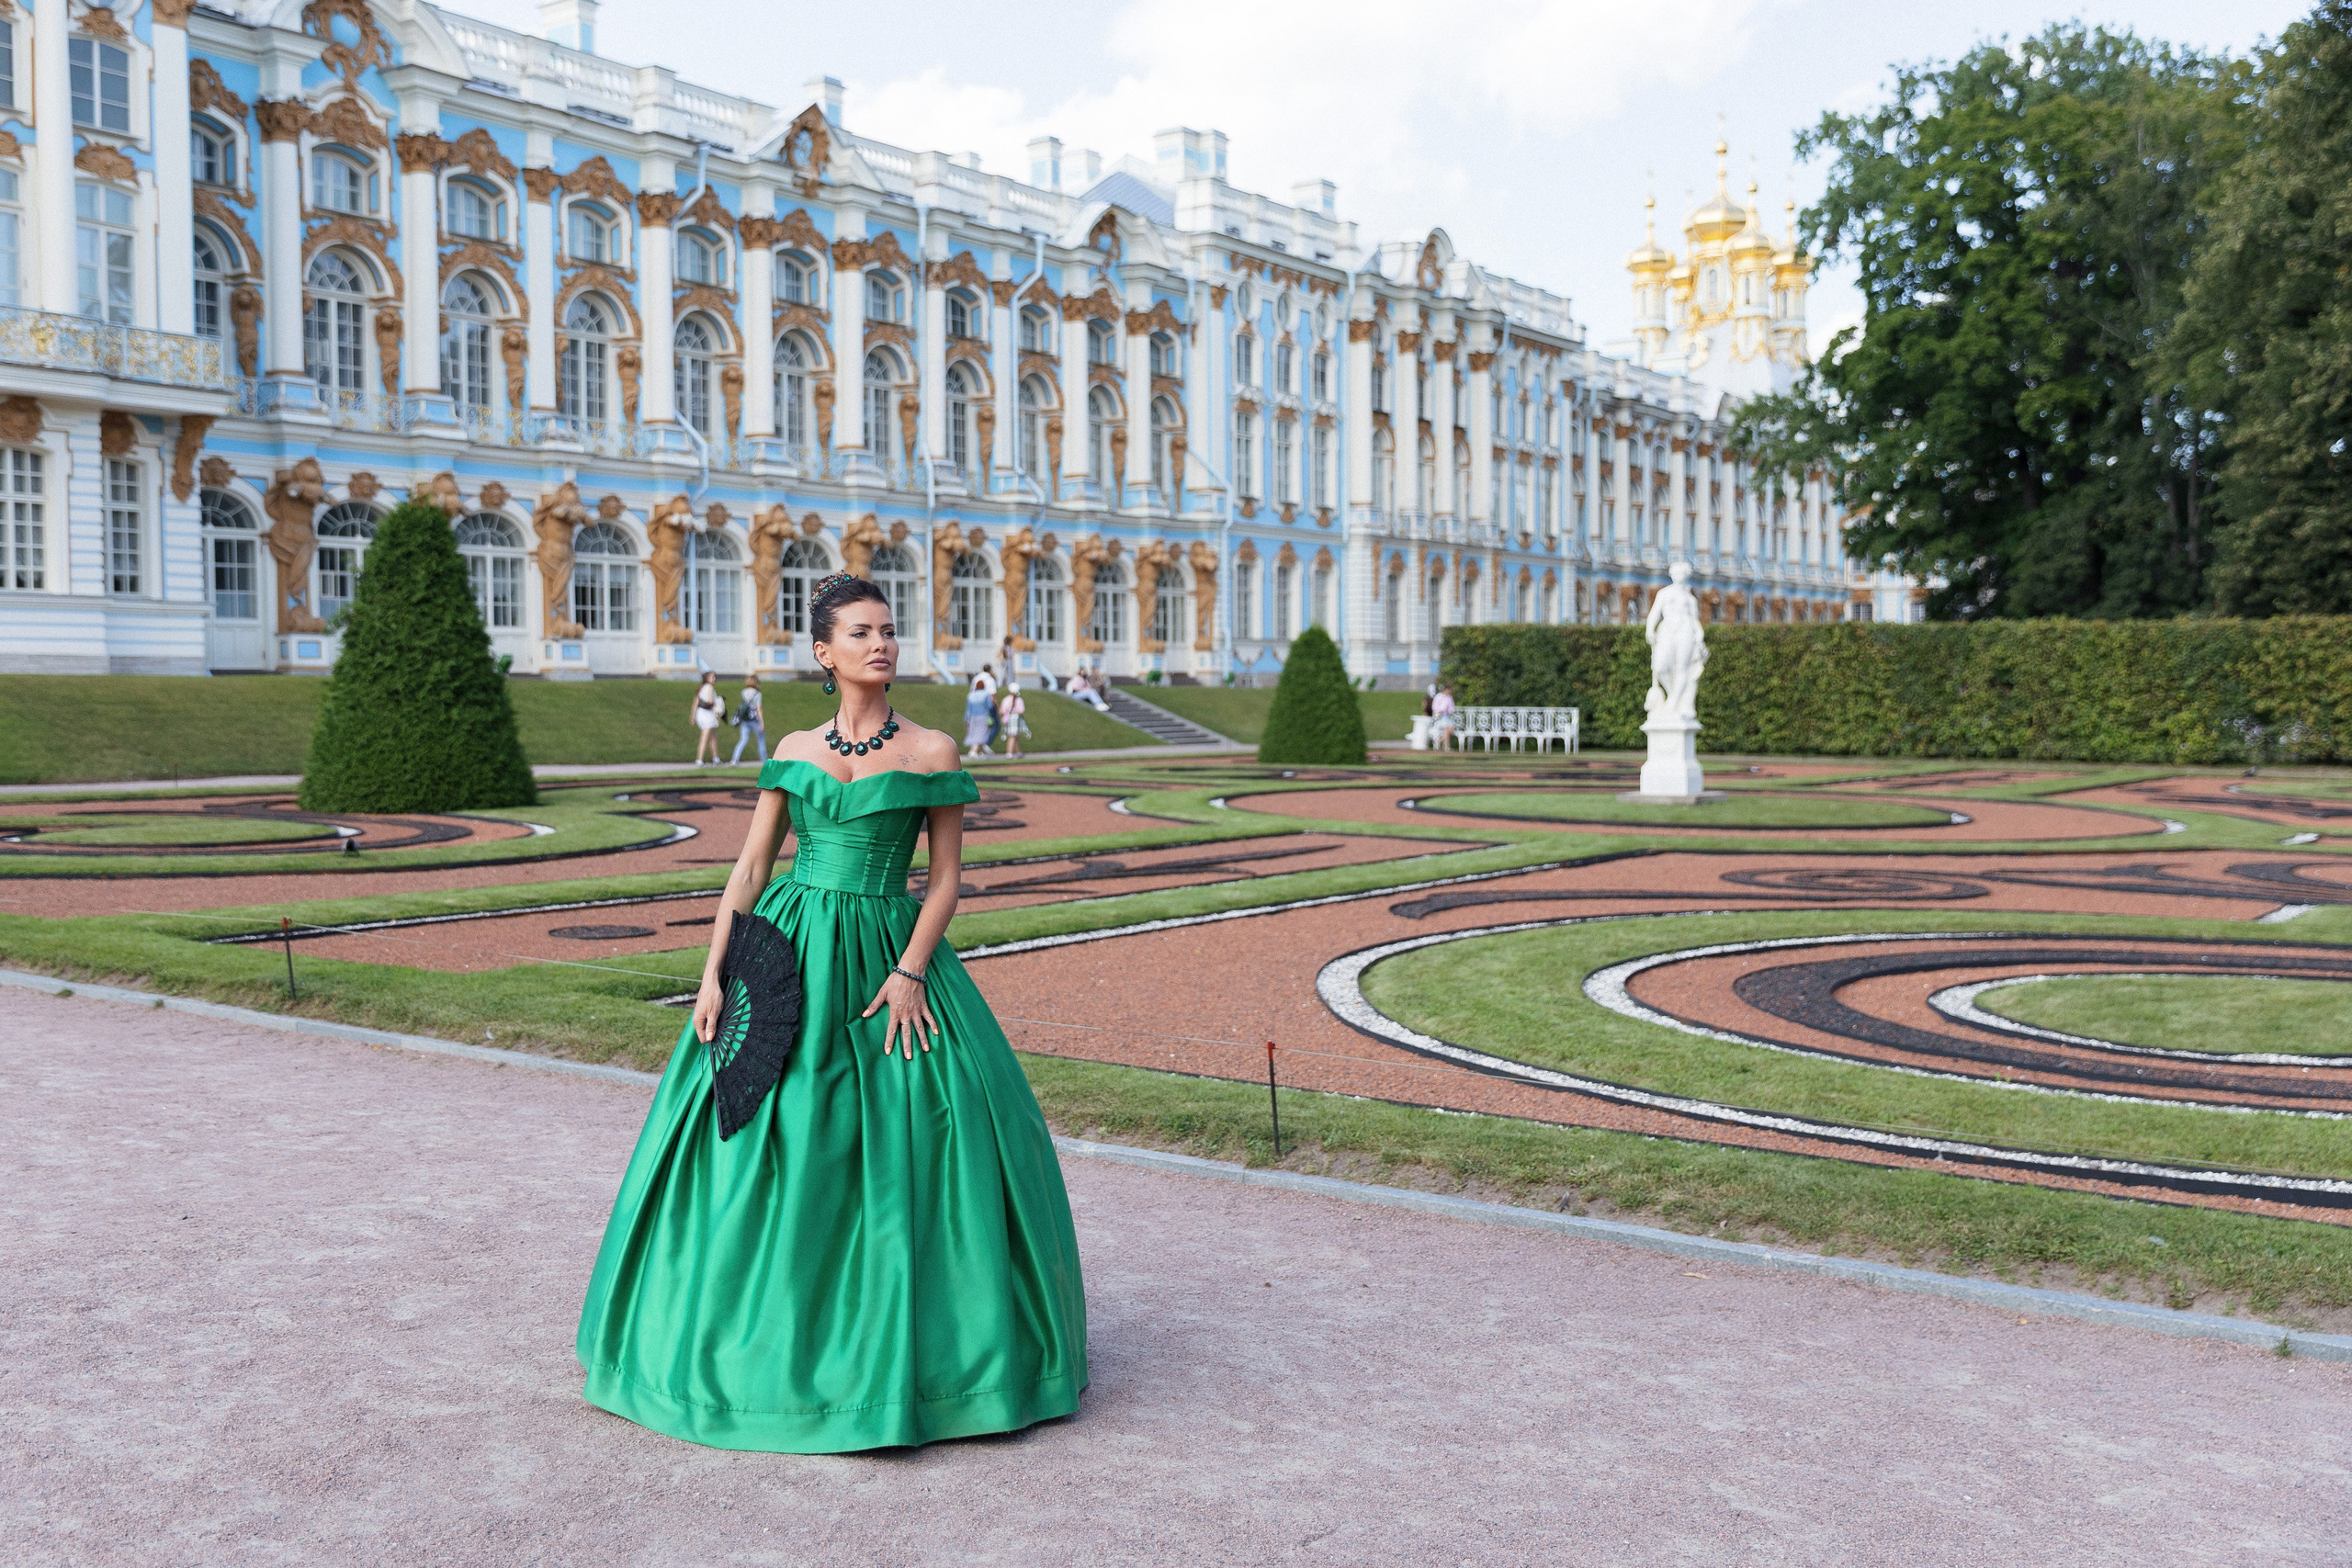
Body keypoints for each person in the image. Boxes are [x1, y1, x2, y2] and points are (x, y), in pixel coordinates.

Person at [576, 570, 1088, 1452]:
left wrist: (911, 971)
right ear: (824, 651)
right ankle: (746, 1345)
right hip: (787, 953)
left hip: (889, 951)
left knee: (919, 1134)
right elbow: (750, 868)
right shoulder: (793, 746)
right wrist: (713, 972)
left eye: (887, 629)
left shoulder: (932, 750)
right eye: (860, 632)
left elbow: (946, 880)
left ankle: (930, 1364)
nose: (880, 643)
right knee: (764, 1131)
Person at [728, 673, 766, 765]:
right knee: (761, 741)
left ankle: (735, 759)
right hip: (755, 720)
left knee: (743, 740)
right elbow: (758, 709)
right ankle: (764, 761)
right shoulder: (757, 694)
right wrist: (762, 722)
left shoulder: (744, 692)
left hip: (745, 720)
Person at [691, 671, 724, 764]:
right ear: (707, 679)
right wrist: (719, 703)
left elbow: (696, 702)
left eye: (714, 677)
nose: (714, 679)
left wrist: (693, 715)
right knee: (705, 738)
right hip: (707, 715)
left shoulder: (702, 687)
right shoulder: (710, 687)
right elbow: (710, 701)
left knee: (713, 737)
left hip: (700, 713)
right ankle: (699, 760)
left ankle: (716, 759)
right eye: (711, 677)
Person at [962, 673, 994, 759]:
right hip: (983, 716)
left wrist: (966, 720)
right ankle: (973, 751)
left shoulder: (970, 695)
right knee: (982, 734)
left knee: (974, 734)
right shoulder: (986, 694)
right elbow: (990, 706)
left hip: (972, 717)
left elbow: (968, 709)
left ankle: (983, 753)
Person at [999, 680, 1027, 759]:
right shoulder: (1019, 700)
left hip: (1008, 719)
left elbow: (1002, 711)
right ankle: (1009, 753)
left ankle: (1018, 752)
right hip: (1015, 718)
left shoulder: (1006, 699)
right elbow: (1021, 711)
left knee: (1015, 736)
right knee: (1013, 736)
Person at [1430, 682, 1458, 750]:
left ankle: (1439, 740)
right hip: (1440, 716)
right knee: (1447, 729)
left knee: (1451, 730)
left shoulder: (1449, 698)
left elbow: (1451, 708)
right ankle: (1447, 746)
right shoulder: (1438, 697)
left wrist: (1449, 710)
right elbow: (1434, 707)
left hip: (1447, 716)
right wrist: (1440, 710)